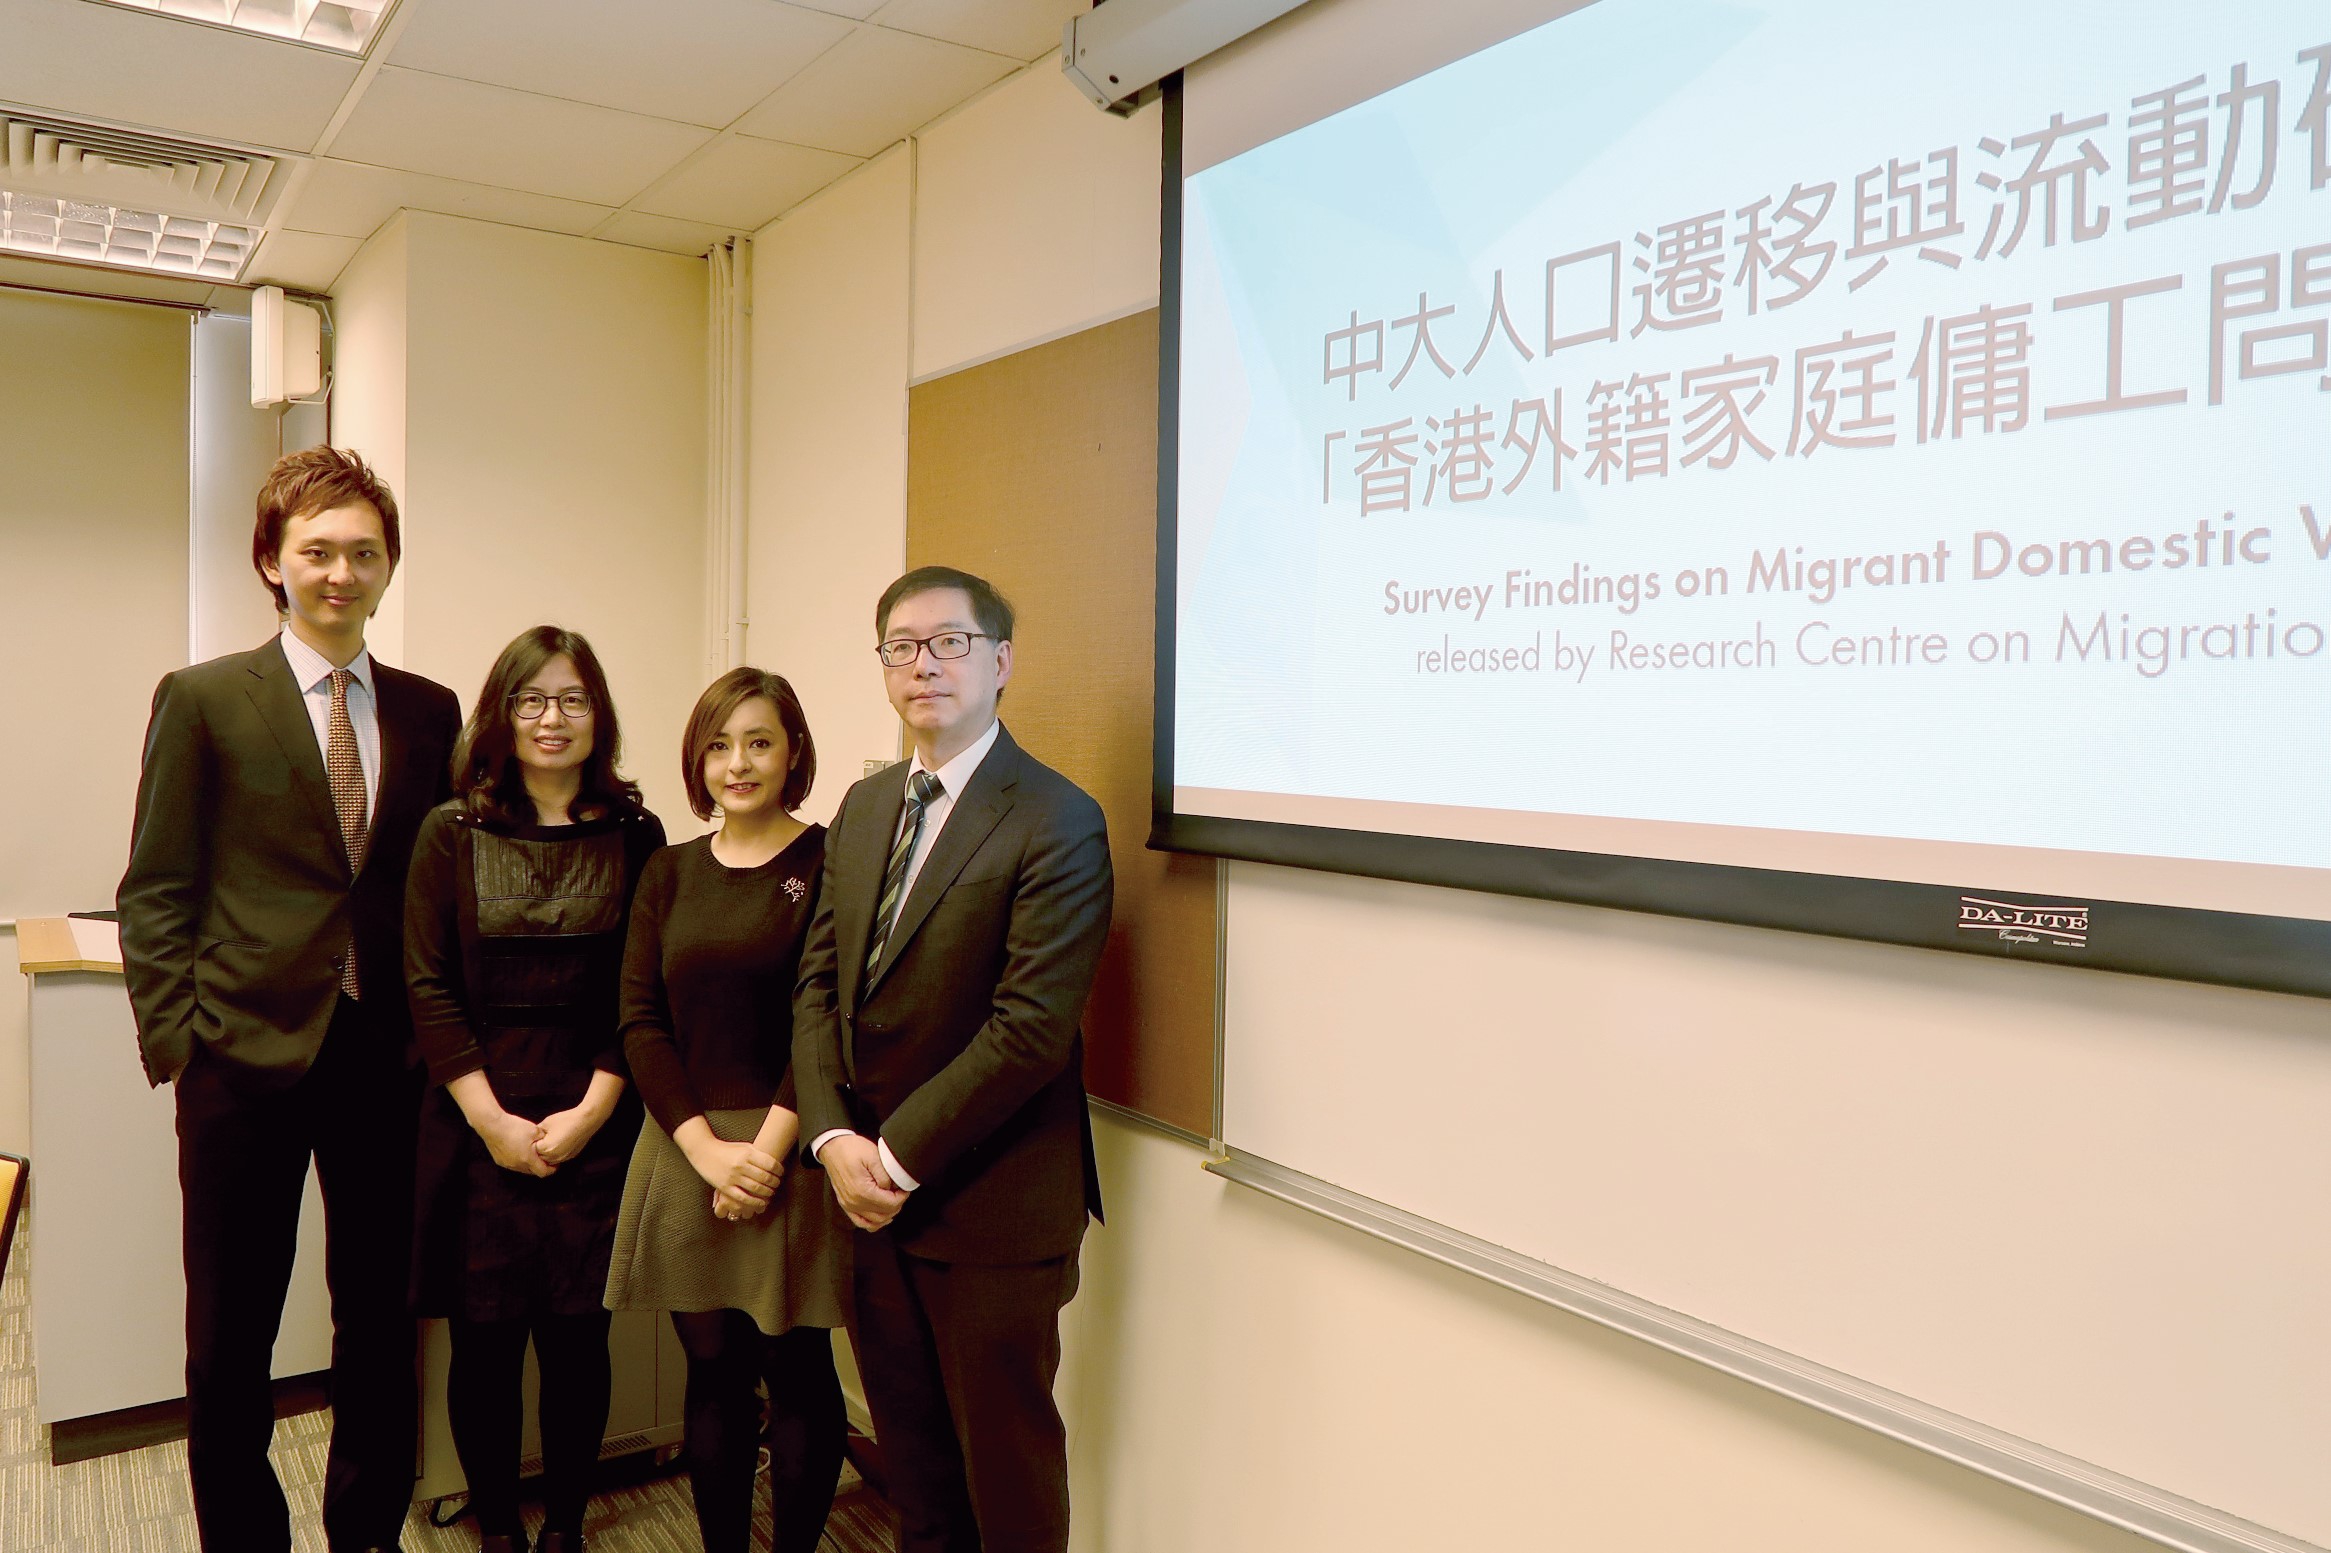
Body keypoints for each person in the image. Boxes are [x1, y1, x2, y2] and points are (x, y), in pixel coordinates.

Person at [117, 447, 461, 1553]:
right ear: (272, 558)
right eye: (317, 550)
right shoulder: (207, 697)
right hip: (240, 1063)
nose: (341, 572)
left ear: (388, 565)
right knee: (229, 1336)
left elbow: (431, 882)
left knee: (376, 1326)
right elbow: (156, 887)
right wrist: (181, 1042)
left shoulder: (428, 708)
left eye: (365, 552)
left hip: (383, 1062)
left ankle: (365, 1534)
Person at [792, 565, 1113, 1553]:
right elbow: (815, 986)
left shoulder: (1056, 816)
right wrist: (833, 1136)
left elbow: (1028, 1031)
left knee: (1007, 1487)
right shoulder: (863, 803)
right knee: (918, 1484)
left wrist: (887, 1160)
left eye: (949, 642)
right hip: (870, 1212)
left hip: (994, 1211)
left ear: (1001, 659)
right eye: (901, 645)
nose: (922, 662)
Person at [404, 627, 664, 1553]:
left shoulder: (637, 834)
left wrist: (593, 1110)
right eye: (530, 700)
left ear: (600, 715)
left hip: (596, 1111)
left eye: (572, 700)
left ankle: (563, 1522)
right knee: (482, 1345)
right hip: (478, 1120)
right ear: (501, 714)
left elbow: (643, 986)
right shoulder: (453, 830)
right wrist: (492, 1121)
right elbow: (426, 985)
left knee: (576, 1340)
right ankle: (499, 1526)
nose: (551, 720)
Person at [604, 668, 849, 1553]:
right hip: (687, 1145)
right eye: (718, 744)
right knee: (711, 1370)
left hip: (795, 1145)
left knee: (797, 1366)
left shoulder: (828, 860)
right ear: (697, 758)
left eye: (758, 742)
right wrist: (706, 1149)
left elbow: (824, 1019)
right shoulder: (667, 871)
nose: (736, 763)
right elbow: (639, 1020)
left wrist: (767, 1153)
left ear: (793, 754)